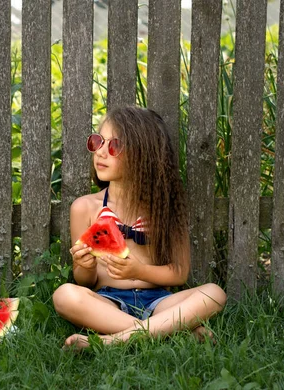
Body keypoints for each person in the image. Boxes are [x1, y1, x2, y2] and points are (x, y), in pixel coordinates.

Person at [53, 105, 226, 349]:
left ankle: (110, 342)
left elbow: (179, 273)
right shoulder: (84, 207)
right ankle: (168, 331)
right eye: (98, 141)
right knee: (65, 295)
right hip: (107, 301)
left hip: (159, 301)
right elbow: (85, 283)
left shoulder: (166, 207)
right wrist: (84, 265)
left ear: (143, 155)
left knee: (214, 293)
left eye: (114, 146)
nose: (101, 152)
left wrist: (137, 271)